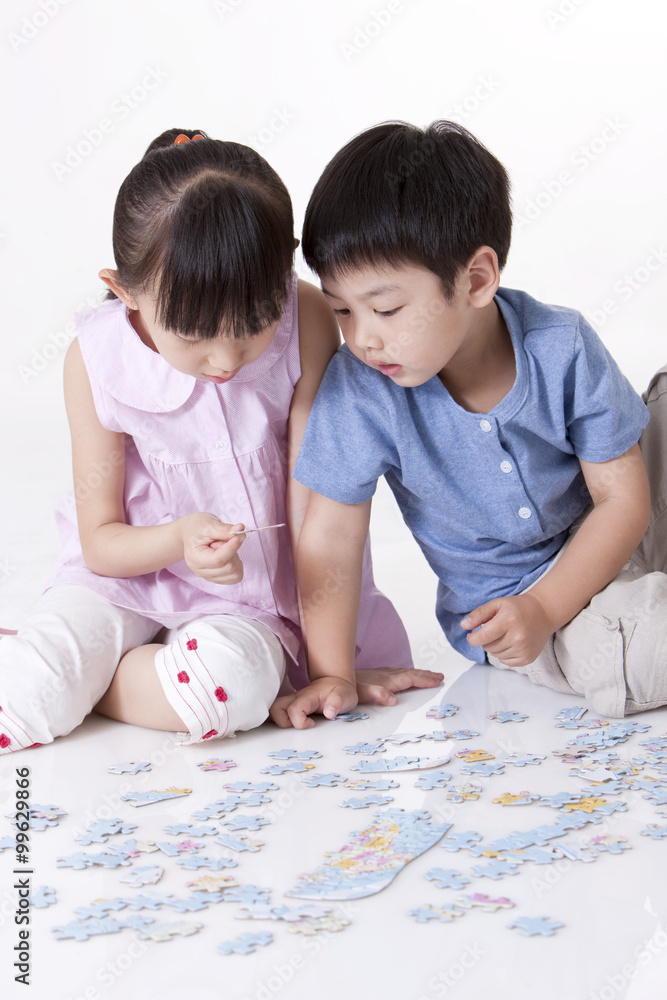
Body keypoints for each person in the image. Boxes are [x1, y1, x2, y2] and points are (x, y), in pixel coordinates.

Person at [0, 128, 442, 755]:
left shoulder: (308, 318)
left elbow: (316, 505)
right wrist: (178, 540)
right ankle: (73, 663)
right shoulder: (95, 359)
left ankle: (92, 676)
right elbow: (100, 544)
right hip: (122, 577)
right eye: (193, 333)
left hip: (248, 600)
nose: (227, 359)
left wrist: (328, 670)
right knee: (24, 698)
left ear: (284, 268)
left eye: (254, 324)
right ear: (125, 290)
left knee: (233, 690)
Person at [271, 119, 667, 729]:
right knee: (642, 651)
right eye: (342, 310)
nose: (364, 337)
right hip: (521, 614)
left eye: (386, 308)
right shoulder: (361, 391)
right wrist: (331, 672)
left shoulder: (560, 344)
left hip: (623, 523)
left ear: (477, 280)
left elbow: (622, 500)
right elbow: (329, 537)